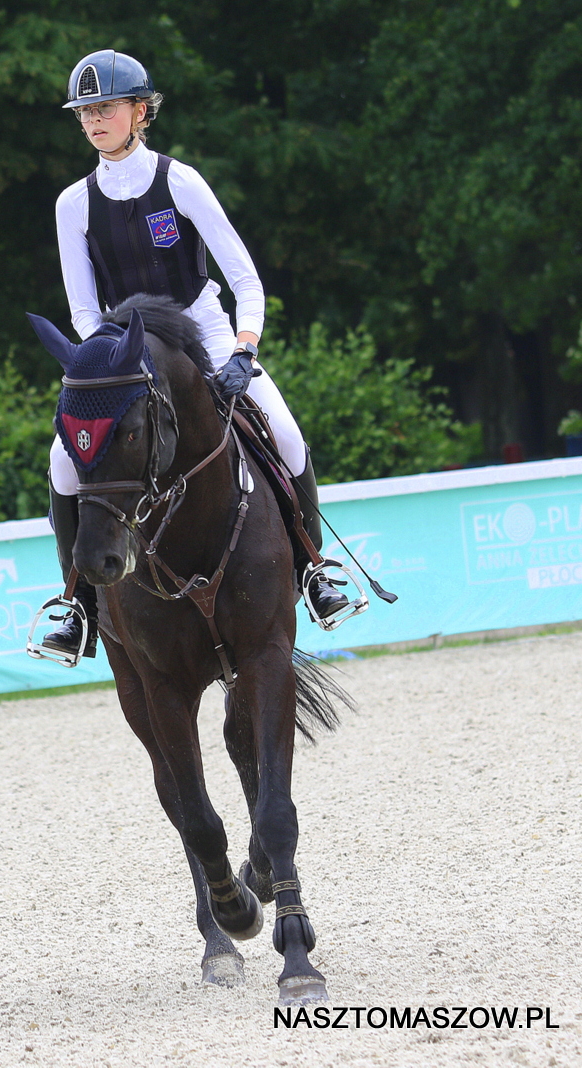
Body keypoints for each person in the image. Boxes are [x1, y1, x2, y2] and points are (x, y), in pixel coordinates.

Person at [42, 48, 359, 660]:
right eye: (85, 112)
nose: (94, 121)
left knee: (284, 433)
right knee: (62, 460)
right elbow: (82, 310)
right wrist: (106, 359)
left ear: (140, 111)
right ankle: (76, 604)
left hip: (203, 332)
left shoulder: (180, 181)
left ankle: (313, 570)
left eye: (106, 108)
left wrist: (244, 349)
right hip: (126, 348)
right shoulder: (72, 203)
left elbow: (245, 280)